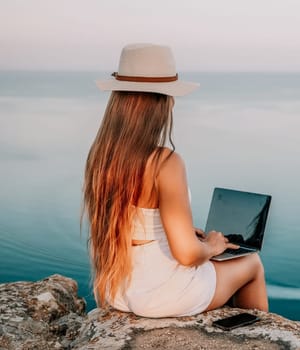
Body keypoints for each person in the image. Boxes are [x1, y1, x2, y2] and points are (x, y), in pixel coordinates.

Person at [83, 43, 268, 317]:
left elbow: (135, 223)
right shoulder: (165, 162)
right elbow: (187, 255)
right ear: (163, 101)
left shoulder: (102, 156)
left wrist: (176, 229)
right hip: (162, 296)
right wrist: (212, 245)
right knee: (251, 262)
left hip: (118, 290)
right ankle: (258, 339)